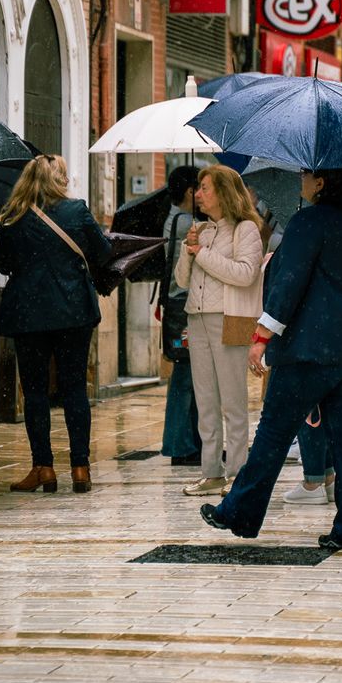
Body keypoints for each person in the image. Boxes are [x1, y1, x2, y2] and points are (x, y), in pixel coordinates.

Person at [201, 168, 342, 551]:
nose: (301, 178)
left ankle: (239, 512)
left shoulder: (308, 221)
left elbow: (291, 282)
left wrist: (261, 336)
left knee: (273, 432)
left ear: (321, 182)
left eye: (306, 173)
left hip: (312, 347)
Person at [0, 154, 111, 494]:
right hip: (73, 312)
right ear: (59, 179)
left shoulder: (12, 217)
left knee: (34, 392)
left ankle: (43, 468)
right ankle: (80, 467)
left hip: (28, 316)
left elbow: (3, 264)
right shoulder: (77, 211)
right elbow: (103, 253)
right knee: (74, 389)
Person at [175, 165, 265, 497]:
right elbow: (182, 280)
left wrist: (202, 254)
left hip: (230, 318)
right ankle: (211, 472)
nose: (198, 194)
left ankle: (238, 473)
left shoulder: (246, 229)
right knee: (206, 400)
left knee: (232, 401)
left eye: (205, 188)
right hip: (197, 319)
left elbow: (245, 274)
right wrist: (188, 250)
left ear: (224, 192)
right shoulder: (200, 229)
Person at [159, 166, 203, 467]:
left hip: (178, 306)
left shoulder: (174, 218)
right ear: (190, 192)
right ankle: (180, 445)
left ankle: (191, 443)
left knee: (190, 375)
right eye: (200, 188)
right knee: (186, 376)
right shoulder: (187, 223)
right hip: (184, 308)